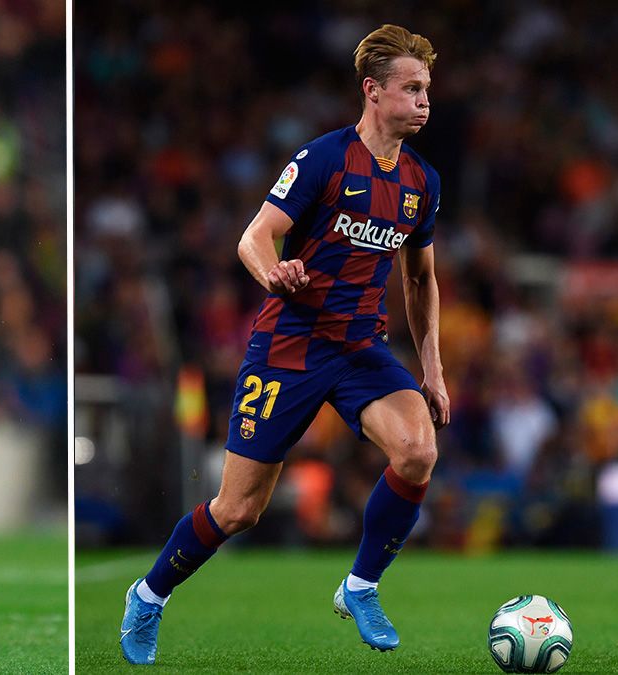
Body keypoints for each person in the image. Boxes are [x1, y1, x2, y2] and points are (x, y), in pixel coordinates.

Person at [119, 24, 449, 664]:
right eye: (411, 88)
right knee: (239, 510)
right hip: (290, 346)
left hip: (359, 350)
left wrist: (432, 370)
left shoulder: (422, 182)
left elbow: (421, 278)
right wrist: (273, 272)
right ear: (372, 91)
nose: (424, 100)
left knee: (416, 452)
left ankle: (360, 586)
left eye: (428, 89)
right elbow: (255, 237)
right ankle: (149, 596)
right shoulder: (323, 158)